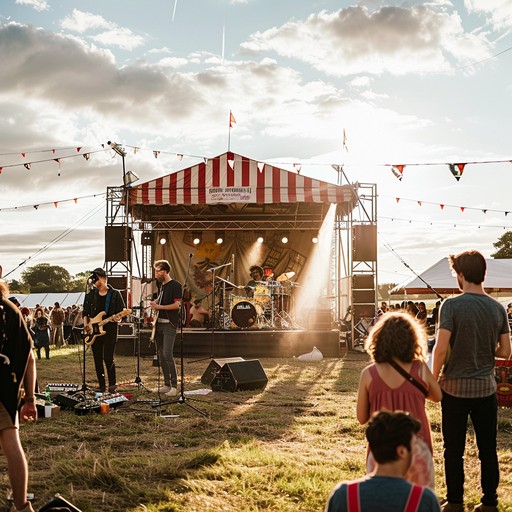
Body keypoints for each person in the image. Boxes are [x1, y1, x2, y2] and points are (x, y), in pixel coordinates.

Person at [432, 250, 511, 512]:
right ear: (483, 274)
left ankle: (454, 502)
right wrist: (483, 349)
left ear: (461, 275)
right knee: (488, 449)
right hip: (486, 389)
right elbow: (505, 351)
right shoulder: (497, 307)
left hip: (453, 389)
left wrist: (432, 380)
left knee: (453, 450)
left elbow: (441, 349)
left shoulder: (451, 306)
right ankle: (489, 503)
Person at [357, 312, 442, 488]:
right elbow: (437, 396)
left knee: (383, 499)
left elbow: (361, 417)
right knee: (417, 497)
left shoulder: (368, 374)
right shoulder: (420, 369)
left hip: (381, 447)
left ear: (378, 340)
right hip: (416, 444)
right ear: (413, 340)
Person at [325, 411, 440, 512]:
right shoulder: (424, 500)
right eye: (415, 445)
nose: (419, 452)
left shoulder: (343, 496)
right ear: (402, 452)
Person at [0, 266, 38, 512]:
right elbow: (30, 358)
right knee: (11, 441)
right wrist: (30, 398)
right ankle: (22, 506)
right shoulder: (12, 310)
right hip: (5, 387)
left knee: (11, 442)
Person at [83, 268, 125, 393]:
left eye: (96, 278)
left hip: (110, 330)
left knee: (108, 357)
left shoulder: (115, 294)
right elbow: (85, 312)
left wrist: (117, 319)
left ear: (103, 277)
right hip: (93, 331)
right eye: (93, 279)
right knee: (97, 358)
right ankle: (102, 385)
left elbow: (122, 313)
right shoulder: (90, 295)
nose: (95, 281)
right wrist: (86, 325)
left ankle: (112, 385)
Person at [150, 260, 182, 397]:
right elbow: (162, 299)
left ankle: (174, 386)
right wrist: (156, 302)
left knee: (167, 354)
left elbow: (177, 305)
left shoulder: (175, 285)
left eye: (158, 271)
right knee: (161, 355)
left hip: (170, 323)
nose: (156, 273)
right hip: (159, 324)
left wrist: (160, 307)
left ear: (164, 271)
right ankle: (166, 384)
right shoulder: (161, 285)